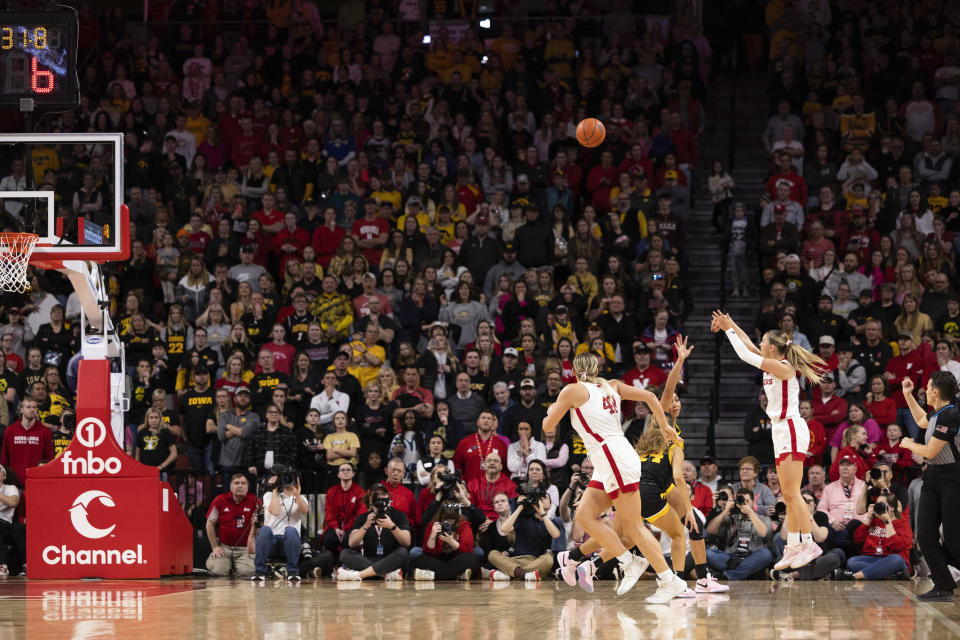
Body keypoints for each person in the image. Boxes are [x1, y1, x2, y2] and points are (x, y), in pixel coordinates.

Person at [543, 351, 687, 602]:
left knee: (634, 527)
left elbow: (547, 427)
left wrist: (552, 410)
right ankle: (625, 561)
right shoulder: (612, 386)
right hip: (611, 457)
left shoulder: (572, 390)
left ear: (576, 372)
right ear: (596, 369)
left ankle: (665, 578)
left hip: (612, 457)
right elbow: (652, 397)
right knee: (585, 516)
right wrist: (664, 425)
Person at [713, 310, 827, 570]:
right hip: (780, 429)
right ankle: (794, 545)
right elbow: (749, 346)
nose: (760, 344)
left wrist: (728, 329)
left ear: (773, 348)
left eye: (764, 342)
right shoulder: (771, 360)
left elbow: (744, 353)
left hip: (790, 427)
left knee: (793, 492)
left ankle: (808, 541)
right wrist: (730, 323)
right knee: (788, 493)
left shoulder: (782, 367)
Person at [899, 371, 960, 601]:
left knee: (954, 538)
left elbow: (931, 451)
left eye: (927, 387)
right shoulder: (938, 413)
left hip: (953, 479)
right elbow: (921, 420)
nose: (924, 389)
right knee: (924, 535)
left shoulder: (951, 415)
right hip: (932, 478)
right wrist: (908, 395)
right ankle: (944, 586)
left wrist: (909, 444)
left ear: (935, 392)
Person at [336, 484, 412, 582]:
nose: (379, 497)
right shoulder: (363, 518)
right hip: (369, 560)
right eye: (376, 494)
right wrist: (366, 525)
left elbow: (407, 542)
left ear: (388, 497)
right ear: (370, 498)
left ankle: (359, 575)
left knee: (403, 553)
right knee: (344, 553)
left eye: (383, 494)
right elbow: (351, 543)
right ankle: (386, 575)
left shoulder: (398, 515)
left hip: (391, 560)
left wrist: (392, 526)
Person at [486, 489, 562, 581]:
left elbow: (556, 535)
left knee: (548, 559)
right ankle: (524, 575)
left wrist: (542, 512)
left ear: (550, 506)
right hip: (515, 560)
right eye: (539, 498)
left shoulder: (551, 523)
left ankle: (513, 573)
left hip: (536, 561)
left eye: (544, 498)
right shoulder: (524, 519)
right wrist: (520, 507)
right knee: (492, 554)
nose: (541, 500)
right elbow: (504, 529)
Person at [836, 493, 912, 581]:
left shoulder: (902, 524)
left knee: (898, 559)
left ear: (892, 508)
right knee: (852, 562)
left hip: (891, 559)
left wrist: (887, 522)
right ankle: (889, 575)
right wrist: (869, 517)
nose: (879, 507)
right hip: (872, 558)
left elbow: (897, 546)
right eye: (877, 504)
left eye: (882, 505)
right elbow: (858, 539)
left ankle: (856, 576)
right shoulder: (874, 520)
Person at [704, 487, 774, 580]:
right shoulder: (730, 518)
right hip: (730, 558)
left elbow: (763, 533)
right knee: (709, 553)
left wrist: (750, 512)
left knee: (766, 554)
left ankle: (727, 575)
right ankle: (742, 572)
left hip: (752, 557)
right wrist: (726, 510)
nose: (744, 503)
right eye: (741, 500)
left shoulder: (764, 519)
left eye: (747, 501)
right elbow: (710, 531)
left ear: (753, 502)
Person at [251, 469, 308, 581]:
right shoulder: (268, 496)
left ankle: (293, 572)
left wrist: (297, 495)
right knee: (265, 529)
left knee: (290, 530)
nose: (287, 482)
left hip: (289, 544)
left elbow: (304, 510)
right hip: (271, 543)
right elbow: (275, 511)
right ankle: (259, 572)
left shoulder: (301, 498)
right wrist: (275, 490)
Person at [411, 502, 481, 581]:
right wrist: (433, 535)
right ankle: (456, 575)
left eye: (452, 519)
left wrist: (451, 542)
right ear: (441, 517)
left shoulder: (464, 526)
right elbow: (427, 552)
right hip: (438, 560)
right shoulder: (433, 526)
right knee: (420, 560)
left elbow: (467, 550)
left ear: (457, 518)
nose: (449, 522)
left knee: (471, 559)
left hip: (457, 559)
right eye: (446, 519)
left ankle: (432, 576)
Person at [205, 474, 257, 577]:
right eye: (236, 483)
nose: (240, 486)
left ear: (247, 486)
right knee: (218, 570)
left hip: (246, 548)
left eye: (243, 483)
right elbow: (209, 524)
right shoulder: (219, 500)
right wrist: (215, 547)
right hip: (225, 547)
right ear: (230, 486)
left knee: (248, 572)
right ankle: (229, 566)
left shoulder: (255, 501)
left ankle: (236, 567)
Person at [316, 462, 365, 570]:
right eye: (342, 470)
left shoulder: (360, 492)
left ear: (353, 474)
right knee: (329, 538)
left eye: (348, 470)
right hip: (334, 527)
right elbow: (329, 513)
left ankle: (347, 565)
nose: (345, 472)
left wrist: (345, 529)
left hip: (351, 527)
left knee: (349, 538)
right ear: (338, 475)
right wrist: (336, 528)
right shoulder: (332, 492)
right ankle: (332, 566)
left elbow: (360, 515)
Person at [0, 464, 25, 577]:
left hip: (5, 524)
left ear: (4, 476)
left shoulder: (10, 488)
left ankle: (3, 566)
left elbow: (13, 502)